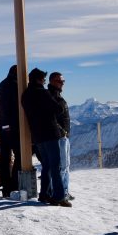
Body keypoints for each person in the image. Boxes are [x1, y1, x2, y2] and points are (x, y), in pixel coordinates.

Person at [20, 69, 70, 207]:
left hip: (37, 135)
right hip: (50, 132)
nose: (44, 81)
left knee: (46, 166)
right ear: (38, 79)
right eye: (43, 79)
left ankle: (44, 194)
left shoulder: (25, 95)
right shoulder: (42, 93)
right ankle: (59, 196)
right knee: (55, 165)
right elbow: (58, 109)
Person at [0, 65, 21, 196]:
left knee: (4, 158)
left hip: (3, 127)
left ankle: (6, 187)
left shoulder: (3, 84)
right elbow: (12, 108)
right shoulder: (15, 85)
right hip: (12, 127)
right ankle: (13, 185)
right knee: (19, 156)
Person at [48, 71, 72, 200]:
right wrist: (61, 131)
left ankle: (65, 191)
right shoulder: (51, 96)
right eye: (59, 81)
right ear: (51, 81)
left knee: (66, 165)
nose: (62, 83)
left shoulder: (57, 96)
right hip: (58, 137)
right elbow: (50, 117)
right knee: (61, 166)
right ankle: (58, 192)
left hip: (64, 136)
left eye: (63, 81)